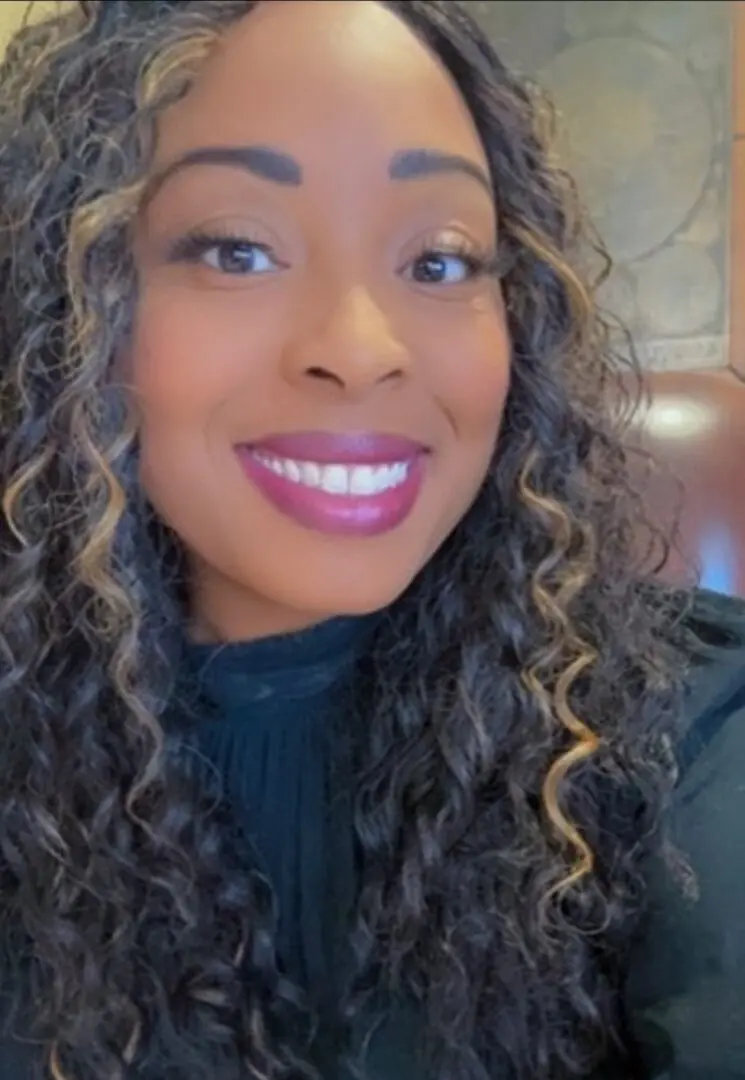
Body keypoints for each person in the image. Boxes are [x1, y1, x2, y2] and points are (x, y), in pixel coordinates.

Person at [0, 1, 742, 1078]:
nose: (360, 348)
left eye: (440, 262)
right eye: (235, 248)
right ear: (70, 322)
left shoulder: (695, 730)